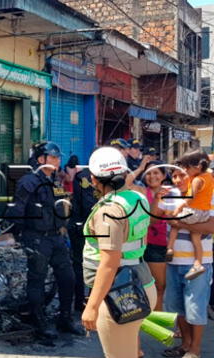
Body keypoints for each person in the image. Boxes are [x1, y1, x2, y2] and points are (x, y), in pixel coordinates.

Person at [81, 146, 157, 358]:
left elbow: (109, 263)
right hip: (141, 283)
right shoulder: (137, 198)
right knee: (131, 350)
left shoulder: (109, 211)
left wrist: (92, 306)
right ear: (124, 173)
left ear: (94, 179)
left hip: (118, 292)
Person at [6, 141, 84, 339]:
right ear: (41, 159)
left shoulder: (54, 181)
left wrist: (64, 226)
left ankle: (65, 318)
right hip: (37, 239)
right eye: (54, 157)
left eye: (58, 157)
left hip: (56, 238)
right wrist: (21, 235)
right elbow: (17, 210)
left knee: (68, 278)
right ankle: (39, 321)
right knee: (37, 281)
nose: (58, 161)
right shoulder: (29, 181)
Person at [162, 168, 213, 358]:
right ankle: (185, 345)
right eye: (174, 176)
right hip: (174, 261)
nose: (178, 180)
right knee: (177, 308)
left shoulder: (209, 193)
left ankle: (195, 350)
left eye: (183, 175)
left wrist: (180, 223)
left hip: (199, 264)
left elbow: (212, 226)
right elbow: (162, 217)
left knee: (195, 308)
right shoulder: (171, 195)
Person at [166, 151, 213, 280]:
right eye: (174, 176)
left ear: (196, 168)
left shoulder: (197, 181)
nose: (178, 179)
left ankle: (170, 248)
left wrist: (176, 214)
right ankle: (197, 264)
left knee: (175, 222)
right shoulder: (208, 178)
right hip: (203, 212)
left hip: (194, 211)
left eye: (184, 172)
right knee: (196, 238)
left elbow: (189, 199)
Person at [131, 160, 169, 311]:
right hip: (148, 244)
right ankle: (153, 319)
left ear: (164, 175)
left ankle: (159, 318)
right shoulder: (140, 191)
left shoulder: (171, 192)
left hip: (169, 243)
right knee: (155, 286)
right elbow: (125, 184)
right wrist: (141, 167)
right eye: (149, 173)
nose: (152, 176)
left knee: (163, 286)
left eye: (156, 173)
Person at [68, 167, 98, 312]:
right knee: (84, 266)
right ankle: (84, 303)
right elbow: (89, 205)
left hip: (88, 227)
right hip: (84, 228)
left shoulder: (84, 175)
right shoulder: (85, 177)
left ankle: (85, 302)